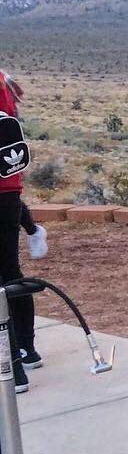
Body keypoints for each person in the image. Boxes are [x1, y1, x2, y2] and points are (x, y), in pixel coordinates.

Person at [0, 67, 39, 390]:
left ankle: (11, 365)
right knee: (9, 271)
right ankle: (26, 349)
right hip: (9, 187)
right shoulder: (4, 78)